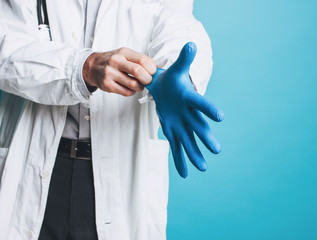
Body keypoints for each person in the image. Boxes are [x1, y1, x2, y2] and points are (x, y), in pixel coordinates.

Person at [0, 0, 213, 239]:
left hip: (120, 170)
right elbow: (5, 48)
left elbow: (180, 27)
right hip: (35, 159)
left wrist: (177, 73)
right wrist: (82, 68)